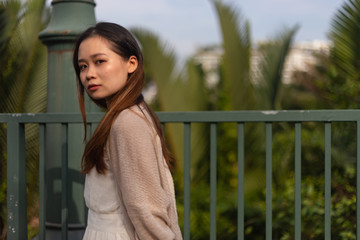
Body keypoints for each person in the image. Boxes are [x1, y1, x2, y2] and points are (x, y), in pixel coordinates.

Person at [72, 22, 183, 240]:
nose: (88, 74)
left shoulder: (127, 122)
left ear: (131, 63)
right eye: (83, 66)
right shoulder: (129, 115)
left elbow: (145, 209)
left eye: (99, 61)